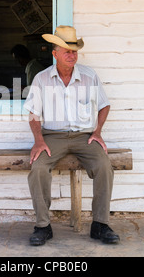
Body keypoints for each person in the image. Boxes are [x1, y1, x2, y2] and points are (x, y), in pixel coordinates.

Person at [23, 25, 119, 246]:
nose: (71, 55)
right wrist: (38, 141)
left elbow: (104, 106)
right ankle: (43, 226)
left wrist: (98, 132)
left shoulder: (89, 75)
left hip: (84, 136)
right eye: (66, 50)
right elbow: (34, 114)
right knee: (38, 168)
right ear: (54, 53)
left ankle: (100, 225)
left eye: (74, 51)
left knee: (104, 166)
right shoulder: (42, 78)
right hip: (52, 137)